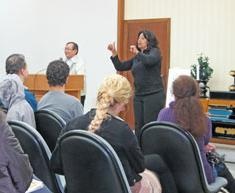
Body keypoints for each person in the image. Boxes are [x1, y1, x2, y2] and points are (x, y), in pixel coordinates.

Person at [50, 74, 162, 193]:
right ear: (123, 103)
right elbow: (139, 167)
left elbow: (56, 165)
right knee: (151, 182)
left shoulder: (71, 126)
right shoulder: (122, 131)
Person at [157, 75, 235, 193]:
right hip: (199, 176)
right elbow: (205, 141)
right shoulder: (203, 119)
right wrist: (202, 147)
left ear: (174, 93)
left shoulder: (162, 114)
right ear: (196, 93)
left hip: (169, 173)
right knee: (219, 163)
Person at [108, 30, 165, 139]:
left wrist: (138, 53)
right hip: (139, 95)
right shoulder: (137, 58)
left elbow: (149, 61)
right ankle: (139, 150)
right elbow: (120, 66)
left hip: (153, 95)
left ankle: (149, 149)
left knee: (150, 125)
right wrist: (114, 53)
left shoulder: (155, 52)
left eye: (143, 38)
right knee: (139, 125)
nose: (139, 40)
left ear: (149, 40)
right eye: (138, 38)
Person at [38, 60, 83, 124]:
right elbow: (79, 130)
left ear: (47, 77)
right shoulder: (75, 104)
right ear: (67, 79)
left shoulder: (41, 101)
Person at [64, 41, 86, 106]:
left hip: (77, 94)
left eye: (68, 49)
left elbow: (80, 78)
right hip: (65, 93)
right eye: (65, 49)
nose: (66, 51)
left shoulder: (80, 62)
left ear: (75, 51)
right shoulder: (63, 61)